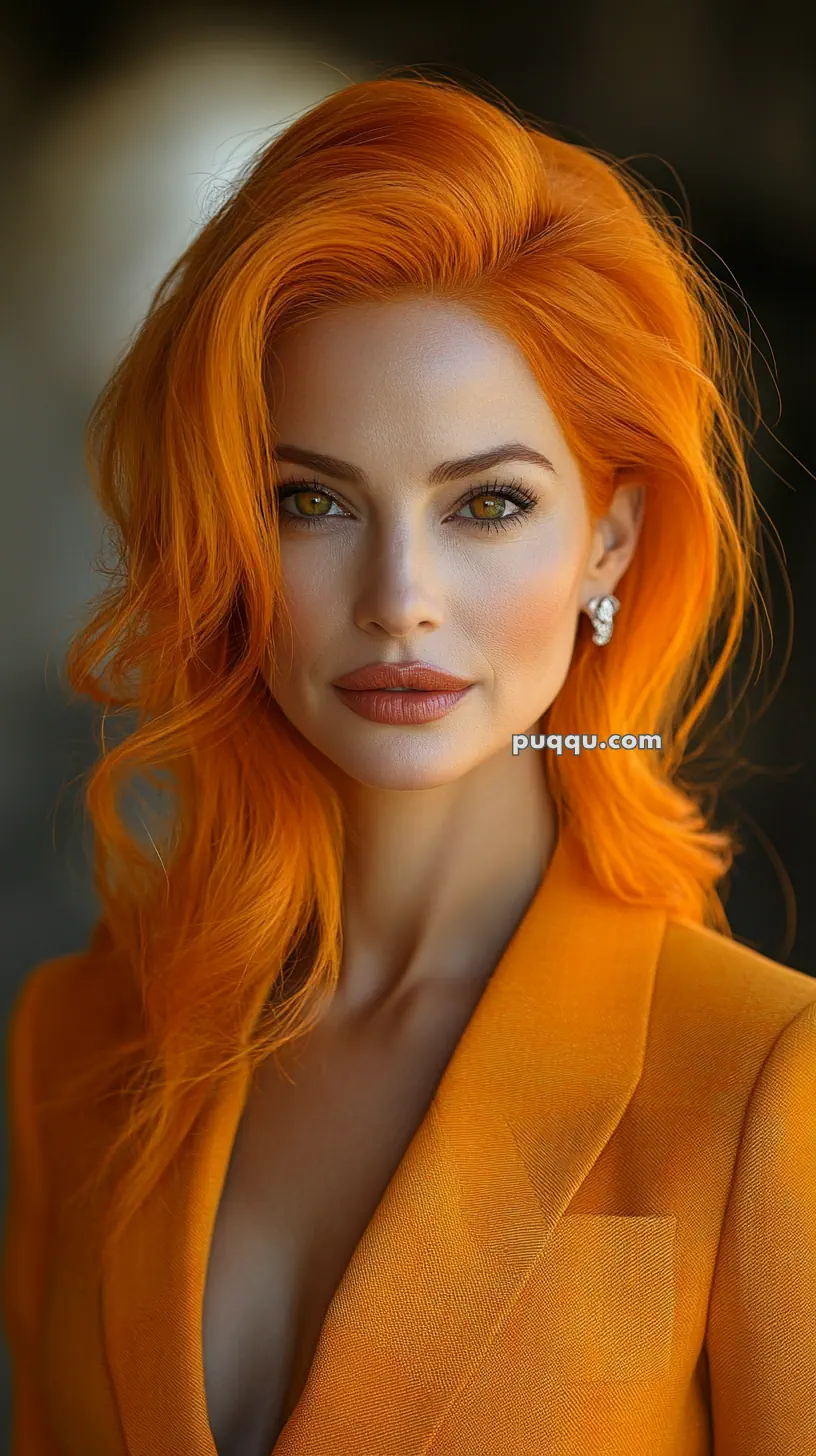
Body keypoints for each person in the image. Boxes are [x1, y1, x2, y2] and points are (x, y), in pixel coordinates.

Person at [2, 72, 815, 1456]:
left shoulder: (758, 1085)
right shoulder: (78, 1044)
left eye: (487, 503)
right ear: (225, 542)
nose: (400, 597)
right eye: (309, 501)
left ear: (607, 545)